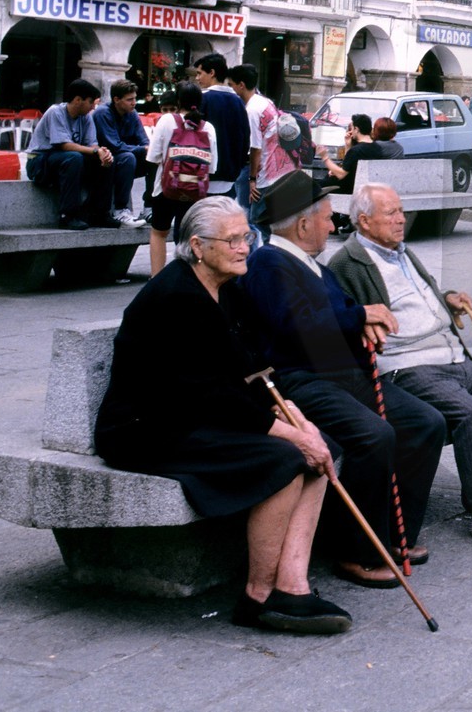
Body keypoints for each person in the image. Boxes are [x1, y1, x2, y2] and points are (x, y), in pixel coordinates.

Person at [95, 196, 351, 635]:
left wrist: (288, 410)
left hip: (198, 416)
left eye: (246, 236)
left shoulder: (227, 287)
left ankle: (292, 585)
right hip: (148, 429)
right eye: (232, 240)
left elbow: (248, 365)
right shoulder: (176, 297)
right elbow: (207, 393)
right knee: (286, 459)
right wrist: (290, 435)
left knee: (322, 448)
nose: (244, 247)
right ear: (197, 246)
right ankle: (258, 597)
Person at [240, 172, 447, 586]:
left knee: (426, 423)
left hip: (341, 375)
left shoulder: (313, 267)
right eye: (326, 217)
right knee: (374, 436)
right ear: (303, 225)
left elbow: (342, 315)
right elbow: (297, 324)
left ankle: (394, 535)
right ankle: (356, 552)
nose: (332, 225)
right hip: (299, 381)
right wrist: (359, 316)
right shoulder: (268, 263)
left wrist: (365, 326)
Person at [328, 184, 472, 550]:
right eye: (391, 213)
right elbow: (343, 317)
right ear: (365, 221)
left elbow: (422, 298)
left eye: (401, 211)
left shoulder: (402, 252)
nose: (401, 219)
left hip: (451, 355)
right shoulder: (347, 263)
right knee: (470, 413)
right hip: (409, 365)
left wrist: (446, 298)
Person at [144, 81, 218, 276]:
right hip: (195, 192)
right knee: (188, 237)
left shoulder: (166, 121)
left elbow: (153, 157)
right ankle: (186, 279)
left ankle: (157, 279)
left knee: (159, 233)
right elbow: (212, 167)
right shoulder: (208, 128)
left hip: (165, 188)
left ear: (178, 101)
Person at [25, 78, 119, 230]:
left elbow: (92, 144)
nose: (93, 107)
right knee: (73, 157)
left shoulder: (86, 117)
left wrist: (102, 154)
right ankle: (67, 215)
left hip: (66, 160)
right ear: (78, 100)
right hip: (39, 162)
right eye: (90, 102)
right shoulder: (56, 112)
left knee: (106, 161)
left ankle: (100, 213)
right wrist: (95, 151)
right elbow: (64, 145)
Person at [228, 64, 297, 231]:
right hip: (278, 169)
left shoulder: (252, 111)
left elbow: (255, 148)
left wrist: (252, 180)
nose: (231, 89)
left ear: (241, 85)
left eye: (231, 85)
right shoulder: (265, 102)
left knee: (256, 222)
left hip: (265, 173)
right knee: (267, 223)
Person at [92, 81, 151, 227]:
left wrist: (150, 150)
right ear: (116, 99)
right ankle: (120, 210)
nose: (134, 103)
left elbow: (144, 140)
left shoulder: (133, 113)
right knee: (128, 158)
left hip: (126, 156)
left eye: (135, 98)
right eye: (129, 99)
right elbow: (114, 145)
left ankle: (149, 207)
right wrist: (142, 149)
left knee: (154, 158)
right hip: (106, 159)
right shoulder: (103, 113)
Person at [194, 54, 252, 202]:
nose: (197, 78)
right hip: (230, 175)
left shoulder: (202, 99)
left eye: (200, 73)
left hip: (204, 174)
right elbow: (245, 137)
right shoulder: (238, 101)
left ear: (212, 73)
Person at [317, 114, 385, 194]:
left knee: (312, 185)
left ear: (356, 129)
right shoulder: (377, 148)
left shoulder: (356, 150)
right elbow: (348, 165)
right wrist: (348, 146)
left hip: (346, 188)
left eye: (352, 128)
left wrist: (325, 157)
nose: (351, 131)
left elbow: (341, 174)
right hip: (363, 187)